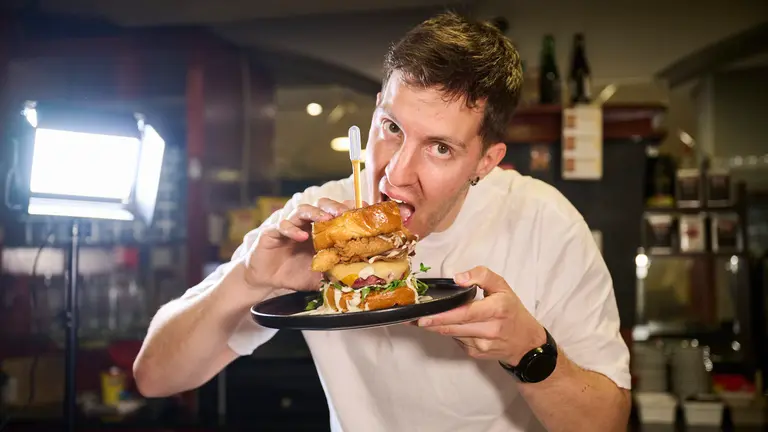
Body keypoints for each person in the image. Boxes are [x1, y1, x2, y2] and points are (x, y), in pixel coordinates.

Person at [133, 12, 631, 432]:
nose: (396, 173)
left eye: (440, 148)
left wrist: (530, 351)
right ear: (374, 114)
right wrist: (247, 280)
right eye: (391, 128)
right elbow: (155, 376)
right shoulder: (318, 219)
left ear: (486, 161)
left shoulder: (545, 221)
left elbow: (608, 421)